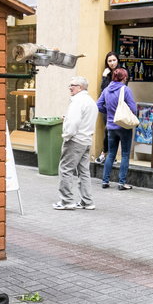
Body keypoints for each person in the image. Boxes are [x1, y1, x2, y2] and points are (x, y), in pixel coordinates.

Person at [53, 77, 98, 210]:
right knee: (84, 172)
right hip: (86, 140)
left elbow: (73, 123)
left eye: (73, 85)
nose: (70, 87)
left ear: (81, 87)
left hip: (75, 140)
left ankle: (67, 201)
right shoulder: (90, 101)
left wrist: (66, 135)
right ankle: (87, 201)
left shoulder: (77, 101)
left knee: (66, 170)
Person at [96, 67, 137, 190]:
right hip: (124, 126)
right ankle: (121, 183)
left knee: (111, 154)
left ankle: (105, 181)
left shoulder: (107, 89)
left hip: (111, 126)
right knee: (125, 154)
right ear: (124, 78)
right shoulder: (125, 90)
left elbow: (98, 105)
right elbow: (133, 108)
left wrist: (109, 113)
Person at [94, 52, 121, 164]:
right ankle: (105, 154)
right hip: (106, 107)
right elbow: (103, 90)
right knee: (108, 130)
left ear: (117, 60)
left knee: (115, 131)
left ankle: (109, 155)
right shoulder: (107, 73)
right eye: (109, 61)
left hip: (117, 107)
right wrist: (104, 76)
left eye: (114, 60)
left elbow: (118, 89)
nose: (112, 63)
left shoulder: (122, 72)